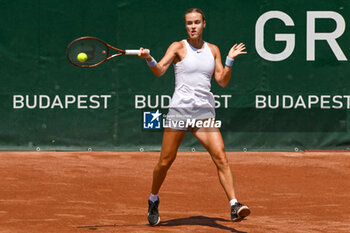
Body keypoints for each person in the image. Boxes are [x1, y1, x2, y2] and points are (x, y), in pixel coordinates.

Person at [138, 8, 250, 226]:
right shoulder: (178, 47)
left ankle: (234, 205)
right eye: (189, 23)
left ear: (204, 24)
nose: (193, 27)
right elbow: (160, 70)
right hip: (180, 111)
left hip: (203, 113)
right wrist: (149, 58)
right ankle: (153, 198)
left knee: (221, 157)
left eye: (197, 22)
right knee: (165, 161)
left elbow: (222, 81)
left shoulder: (214, 50)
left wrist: (229, 60)